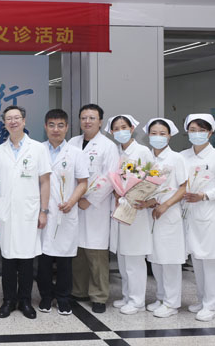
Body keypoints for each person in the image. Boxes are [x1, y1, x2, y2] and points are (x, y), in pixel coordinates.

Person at [0, 106, 51, 319]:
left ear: (24, 121)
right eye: (9, 118)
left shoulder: (38, 149)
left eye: (17, 118)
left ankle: (25, 301)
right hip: (5, 212)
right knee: (7, 259)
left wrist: (43, 211)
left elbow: (45, 182)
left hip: (29, 212)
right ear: (4, 123)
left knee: (26, 259)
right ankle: (8, 300)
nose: (13, 121)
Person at [181, 113, 215, 322]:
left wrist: (204, 195)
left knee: (210, 261)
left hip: (208, 213)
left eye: (201, 130)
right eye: (192, 130)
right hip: (189, 214)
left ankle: (212, 306)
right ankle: (203, 300)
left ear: (210, 133)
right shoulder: (183, 156)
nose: (197, 134)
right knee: (197, 259)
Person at [37, 109, 89, 316]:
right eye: (51, 125)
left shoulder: (76, 153)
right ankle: (45, 296)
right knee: (44, 259)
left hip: (65, 212)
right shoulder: (37, 150)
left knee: (65, 259)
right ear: (45, 127)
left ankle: (63, 298)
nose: (55, 130)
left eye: (60, 125)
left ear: (67, 127)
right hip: (42, 211)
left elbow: (83, 182)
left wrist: (72, 201)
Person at [68, 104, 118, 313]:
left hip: (96, 207)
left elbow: (110, 178)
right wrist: (73, 198)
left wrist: (89, 200)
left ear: (100, 122)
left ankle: (99, 296)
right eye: (84, 118)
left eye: (92, 118)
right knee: (77, 253)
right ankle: (78, 291)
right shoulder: (72, 142)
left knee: (96, 253)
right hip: (73, 204)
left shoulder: (108, 146)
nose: (87, 121)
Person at [106, 115, 153, 315]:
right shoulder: (115, 151)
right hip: (119, 208)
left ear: (132, 128)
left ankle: (137, 300)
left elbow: (152, 178)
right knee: (123, 258)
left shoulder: (142, 151)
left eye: (123, 127)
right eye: (116, 129)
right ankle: (127, 296)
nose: (120, 131)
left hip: (135, 210)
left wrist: (135, 196)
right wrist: (117, 192)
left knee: (134, 259)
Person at [143, 118, 187, 318]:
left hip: (169, 214)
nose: (158, 137)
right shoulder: (147, 159)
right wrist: (148, 201)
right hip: (152, 214)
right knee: (156, 258)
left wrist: (166, 205)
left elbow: (183, 187)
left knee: (170, 260)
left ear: (169, 136)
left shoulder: (177, 158)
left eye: (162, 133)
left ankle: (172, 303)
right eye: (154, 133)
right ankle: (161, 297)